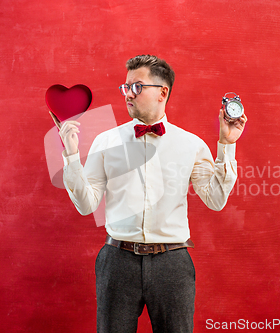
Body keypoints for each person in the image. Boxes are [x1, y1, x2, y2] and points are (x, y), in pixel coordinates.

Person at [58, 55, 247, 333]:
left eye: (136, 87)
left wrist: (226, 145)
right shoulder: (105, 141)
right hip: (117, 261)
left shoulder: (190, 144)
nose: (128, 95)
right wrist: (71, 156)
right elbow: (86, 205)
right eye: (125, 87)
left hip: (172, 263)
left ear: (162, 92)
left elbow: (216, 200)